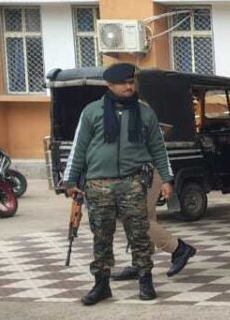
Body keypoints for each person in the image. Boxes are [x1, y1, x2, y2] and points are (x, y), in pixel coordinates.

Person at [63, 63, 174, 305]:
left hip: (133, 182)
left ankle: (145, 281)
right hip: (98, 184)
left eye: (131, 82)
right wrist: (70, 180)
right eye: (123, 83)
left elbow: (158, 148)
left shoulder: (145, 113)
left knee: (139, 233)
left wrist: (167, 178)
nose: (129, 87)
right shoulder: (92, 112)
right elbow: (79, 147)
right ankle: (101, 284)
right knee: (101, 236)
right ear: (110, 85)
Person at [109, 168, 197, 282]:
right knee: (144, 217)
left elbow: (160, 156)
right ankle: (141, 263)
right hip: (134, 174)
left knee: (137, 218)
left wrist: (166, 179)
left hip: (146, 171)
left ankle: (178, 248)